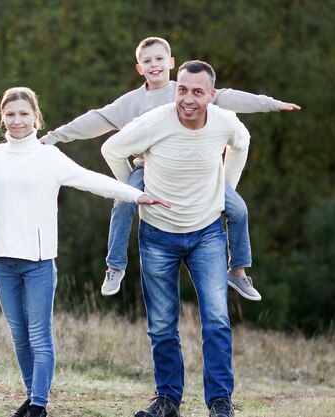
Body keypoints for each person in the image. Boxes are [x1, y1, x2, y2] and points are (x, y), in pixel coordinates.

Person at [40, 36, 301, 301]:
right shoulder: (130, 103)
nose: (154, 65)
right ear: (139, 68)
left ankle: (238, 270)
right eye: (147, 61)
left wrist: (270, 104)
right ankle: (115, 266)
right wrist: (53, 137)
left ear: (171, 63)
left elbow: (231, 97)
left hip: (200, 170)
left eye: (159, 59)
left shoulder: (189, 90)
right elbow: (95, 120)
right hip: (149, 169)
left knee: (238, 208)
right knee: (122, 202)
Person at [0, 87, 170, 417]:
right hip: (2, 259)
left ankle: (40, 405)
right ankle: (32, 396)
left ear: (36, 118)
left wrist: (136, 195)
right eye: (11, 114)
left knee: (39, 335)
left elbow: (92, 180)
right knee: (19, 336)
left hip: (39, 262)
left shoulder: (49, 157)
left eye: (24, 114)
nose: (18, 120)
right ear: (2, 118)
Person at [102, 60, 248, 417]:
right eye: (182, 89)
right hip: (157, 237)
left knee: (216, 321)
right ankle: (167, 400)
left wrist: (226, 187)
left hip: (207, 236)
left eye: (198, 92)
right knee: (162, 325)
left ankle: (219, 402)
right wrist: (137, 193)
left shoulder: (225, 122)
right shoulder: (154, 122)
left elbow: (242, 143)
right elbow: (111, 149)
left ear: (212, 96)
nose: (188, 99)